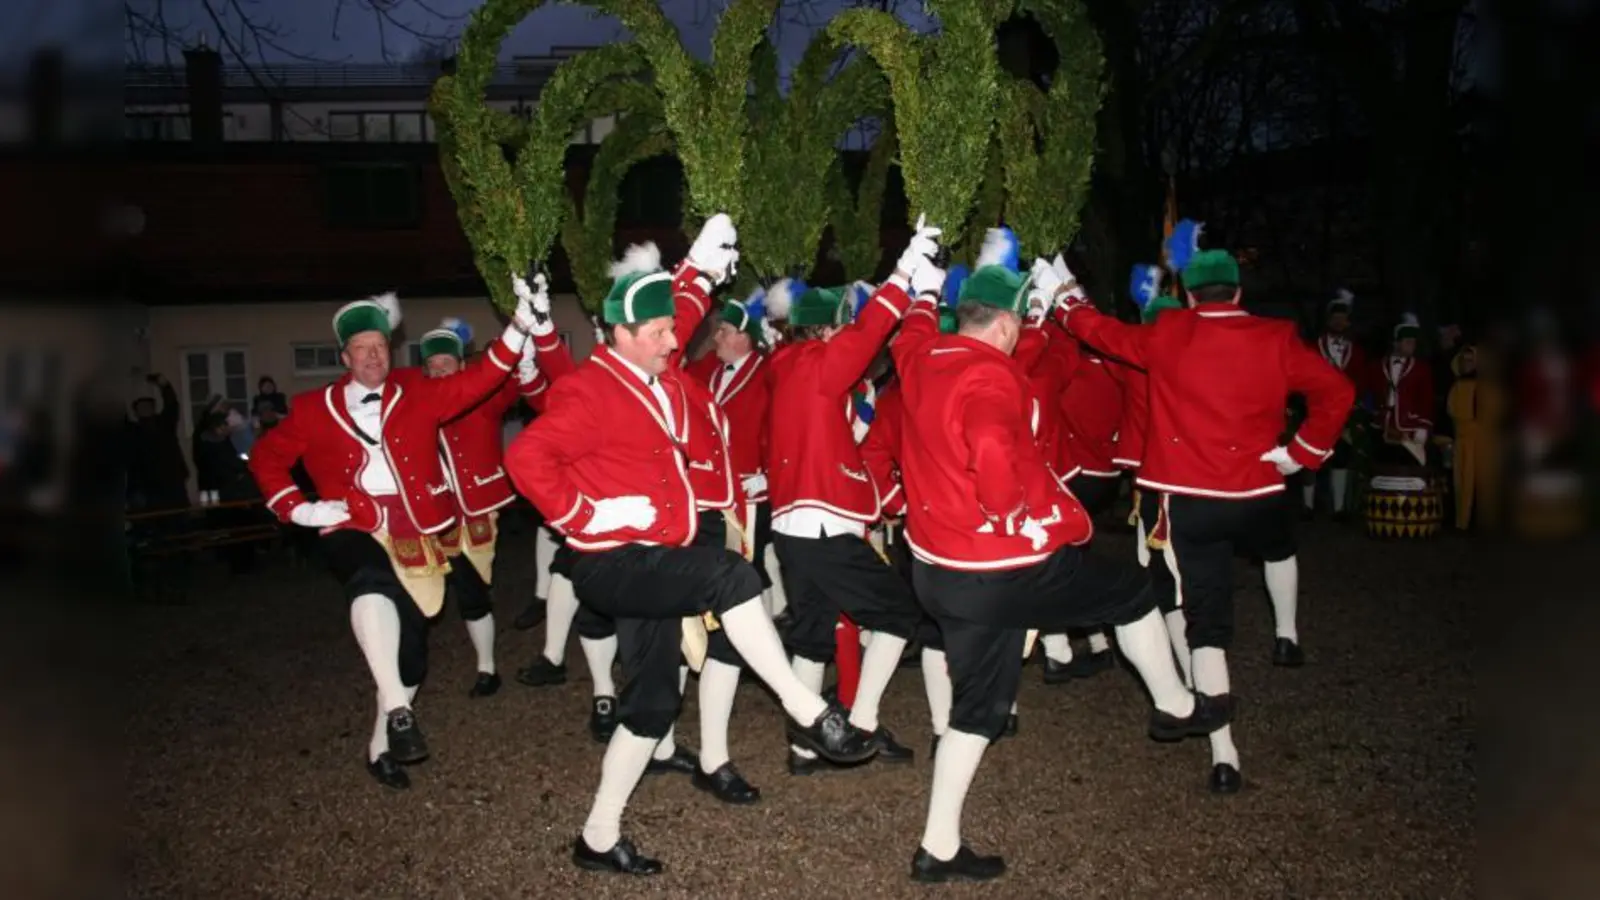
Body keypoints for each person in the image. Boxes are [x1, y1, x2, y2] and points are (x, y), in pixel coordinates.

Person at [506, 213, 875, 876]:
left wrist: (699, 268)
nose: (670, 342)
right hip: (611, 560)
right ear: (616, 336)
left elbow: (676, 303)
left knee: (650, 706)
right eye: (654, 335)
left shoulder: (654, 354)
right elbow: (527, 460)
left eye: (671, 331)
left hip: (654, 560)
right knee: (731, 577)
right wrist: (588, 509)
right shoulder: (589, 390)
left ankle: (596, 836)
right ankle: (807, 710)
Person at [894, 238, 1232, 882]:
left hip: (937, 572)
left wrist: (920, 281)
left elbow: (910, 324)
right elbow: (992, 446)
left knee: (978, 712)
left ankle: (937, 848)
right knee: (1132, 591)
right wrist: (1009, 513)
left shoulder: (917, 354)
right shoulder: (989, 372)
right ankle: (1175, 705)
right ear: (1003, 323)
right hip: (998, 569)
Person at [1050, 248, 1354, 794]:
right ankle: (1286, 633)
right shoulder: (1276, 335)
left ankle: (1225, 753)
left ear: (1189, 294)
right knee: (1280, 550)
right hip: (1260, 488)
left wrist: (1064, 293)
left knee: (1204, 625)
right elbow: (1338, 390)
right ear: (1238, 292)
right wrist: (1302, 452)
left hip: (1193, 499)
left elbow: (1100, 332)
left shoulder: (1169, 333)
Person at [248, 286, 539, 790]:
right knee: (369, 581)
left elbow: (483, 380)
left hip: (416, 526)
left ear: (391, 350)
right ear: (345, 357)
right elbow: (267, 459)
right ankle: (403, 712)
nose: (373, 356)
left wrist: (519, 326)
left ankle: (382, 742)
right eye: (362, 348)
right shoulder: (312, 407)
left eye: (380, 346)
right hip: (349, 522)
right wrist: (300, 507)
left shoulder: (418, 389)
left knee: (411, 654)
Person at [763, 220, 946, 772]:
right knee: (898, 614)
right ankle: (860, 721)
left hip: (794, 529)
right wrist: (906, 269)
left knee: (814, 635)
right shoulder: (818, 365)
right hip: (823, 527)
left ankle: (801, 746)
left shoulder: (785, 367)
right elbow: (869, 332)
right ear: (823, 333)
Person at [417, 297, 571, 699]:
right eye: (432, 366)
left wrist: (525, 355)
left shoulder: (485, 393)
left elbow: (520, 385)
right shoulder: (416, 402)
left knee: (471, 585)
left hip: (478, 507)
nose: (439, 371)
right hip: (430, 511)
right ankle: (420, 669)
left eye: (446, 364)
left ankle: (487, 666)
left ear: (461, 365)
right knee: (426, 589)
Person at [1302, 289, 1367, 520]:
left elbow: (1361, 381)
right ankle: (1307, 507)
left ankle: (1339, 509)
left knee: (1342, 456)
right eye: (1335, 318)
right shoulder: (1313, 347)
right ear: (1328, 320)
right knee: (1310, 457)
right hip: (1316, 411)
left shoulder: (1356, 352)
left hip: (1345, 413)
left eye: (1343, 318)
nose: (1339, 322)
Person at [125, 372, 189, 512]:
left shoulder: (164, 423)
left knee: (179, 518)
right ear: (136, 412)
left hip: (173, 481)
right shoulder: (134, 431)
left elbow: (172, 404)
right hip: (150, 486)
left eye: (148, 406)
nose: (146, 409)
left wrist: (164, 385)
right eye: (141, 407)